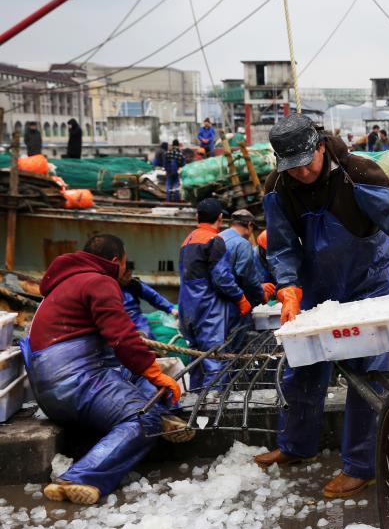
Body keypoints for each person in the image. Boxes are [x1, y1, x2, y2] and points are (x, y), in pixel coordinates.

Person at [256, 114, 389, 498]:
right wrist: (288, 288)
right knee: (302, 364)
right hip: (316, 281)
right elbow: (283, 246)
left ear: (321, 147)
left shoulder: (358, 172)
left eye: (308, 163)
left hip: (367, 278)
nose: (302, 173)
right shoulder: (277, 189)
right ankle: (295, 445)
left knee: (366, 371)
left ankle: (361, 466)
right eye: (292, 168)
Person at [25, 234, 192, 505]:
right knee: (142, 419)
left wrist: (147, 369)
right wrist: (156, 372)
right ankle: (79, 478)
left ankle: (164, 414)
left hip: (51, 391)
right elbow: (122, 337)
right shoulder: (100, 281)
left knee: (138, 374)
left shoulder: (65, 283)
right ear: (116, 261)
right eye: (125, 264)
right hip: (76, 383)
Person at [178, 198, 253, 391]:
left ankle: (193, 400)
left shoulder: (188, 240)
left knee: (195, 358)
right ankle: (211, 410)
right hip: (207, 309)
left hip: (187, 307)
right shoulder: (214, 240)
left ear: (197, 217)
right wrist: (240, 298)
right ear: (220, 218)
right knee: (214, 358)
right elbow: (222, 278)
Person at [219, 208, 274, 323]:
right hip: (233, 304)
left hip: (214, 302)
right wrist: (261, 293)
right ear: (249, 225)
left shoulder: (218, 237)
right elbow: (246, 276)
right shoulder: (242, 244)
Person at [120, 261, 177, 339]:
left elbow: (153, 297)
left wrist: (170, 309)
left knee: (147, 335)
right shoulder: (108, 286)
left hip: (136, 319)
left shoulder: (134, 284)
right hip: (119, 320)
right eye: (126, 276)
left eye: (130, 275)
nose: (128, 278)